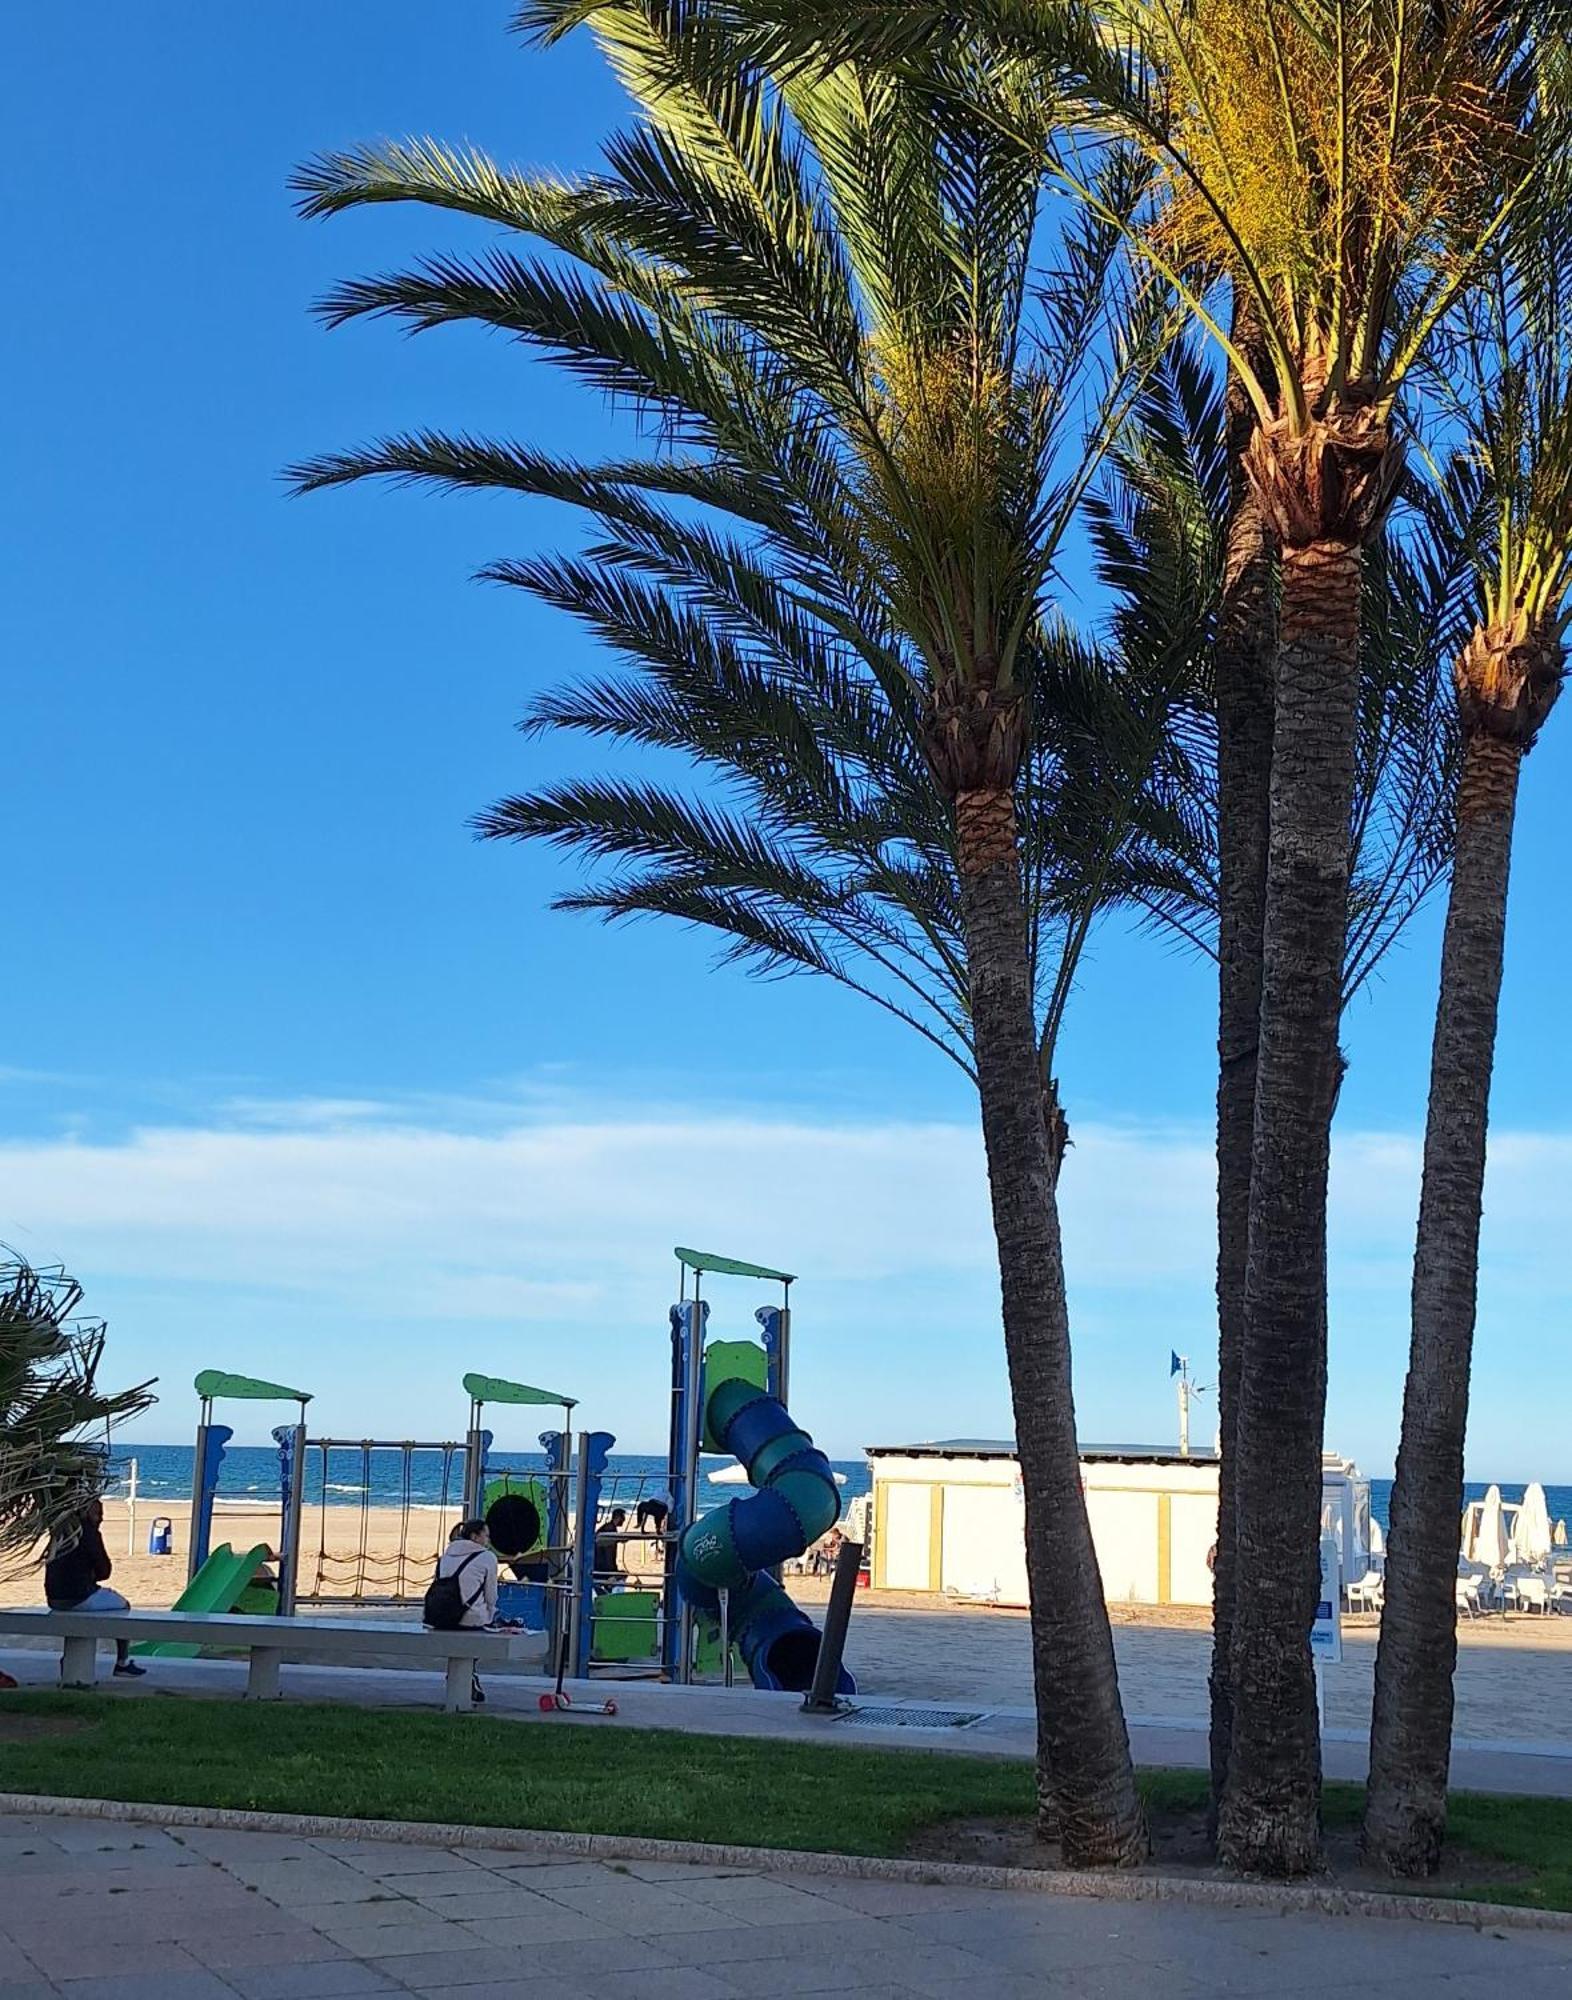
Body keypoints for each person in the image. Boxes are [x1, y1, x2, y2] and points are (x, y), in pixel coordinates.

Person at [44, 1497, 144, 1678]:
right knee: (123, 1606)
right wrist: (92, 1576)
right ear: (86, 1514)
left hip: (54, 1599)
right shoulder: (89, 1534)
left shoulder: (60, 1533)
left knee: (101, 1600)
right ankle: (122, 1662)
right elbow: (105, 1571)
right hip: (79, 1597)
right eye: (98, 1514)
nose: (101, 1519)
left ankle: (71, 1661)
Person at [435, 1519, 499, 1704]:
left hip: (440, 1617)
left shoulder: (446, 1555)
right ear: (474, 1536)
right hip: (469, 1620)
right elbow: (491, 1596)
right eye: (486, 1535)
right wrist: (489, 1613)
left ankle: (467, 1675)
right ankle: (468, 1674)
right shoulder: (488, 1558)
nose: (488, 1540)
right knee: (485, 1624)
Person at [593, 1508, 627, 1593]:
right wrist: (612, 1568)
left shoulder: (609, 1527)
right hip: (603, 1567)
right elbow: (608, 1550)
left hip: (602, 1565)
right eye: (623, 1517)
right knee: (621, 1575)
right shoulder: (609, 1529)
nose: (624, 1520)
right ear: (618, 1517)